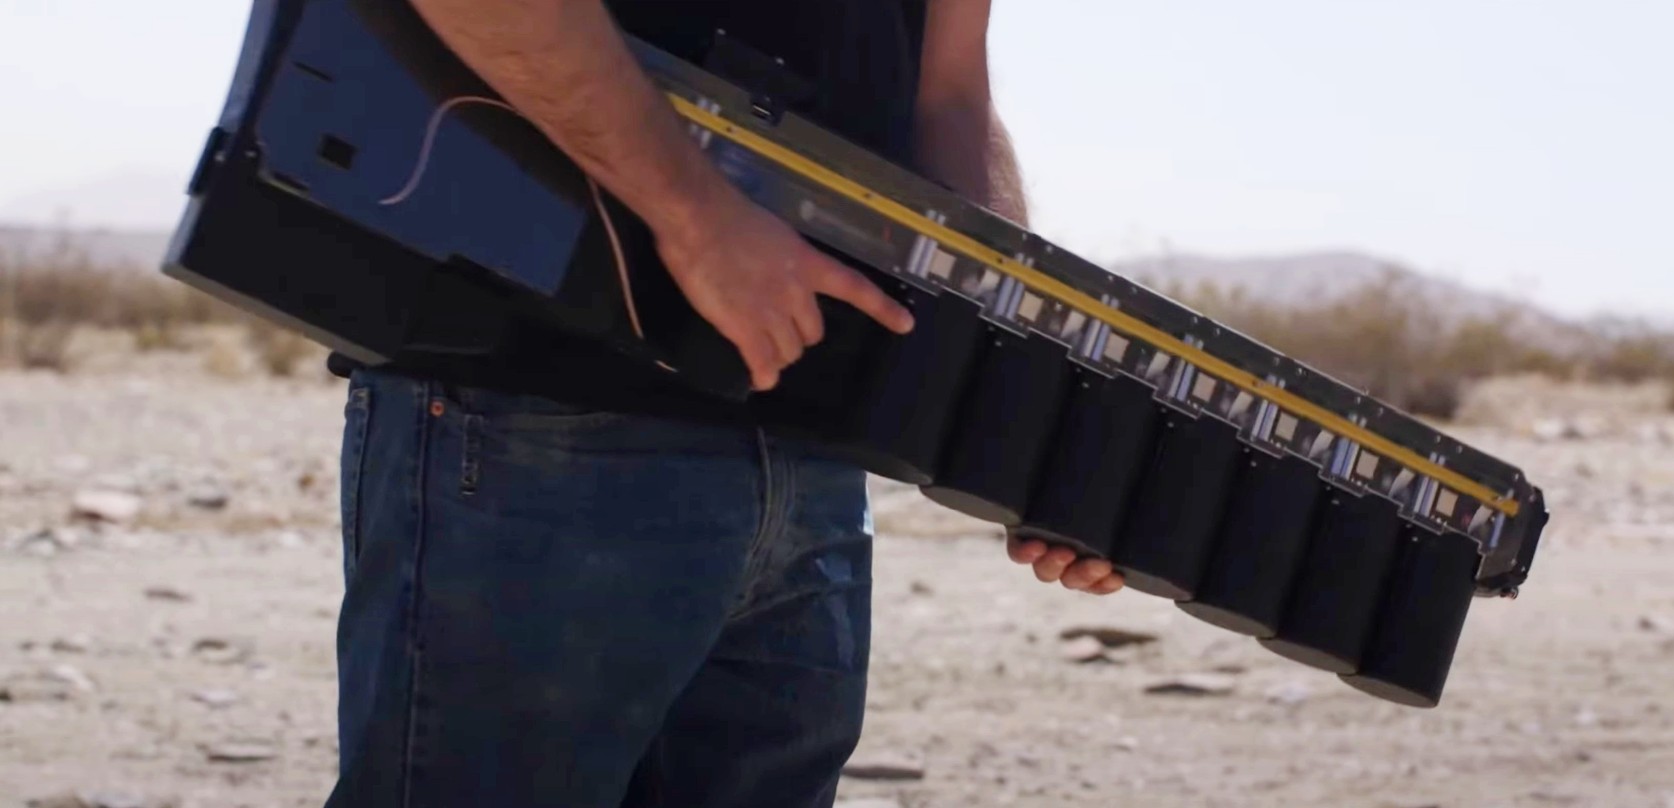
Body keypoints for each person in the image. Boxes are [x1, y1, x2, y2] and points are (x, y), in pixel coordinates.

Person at [326, 1, 1123, 806]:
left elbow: (947, 91)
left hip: (815, 446)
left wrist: (1013, 410)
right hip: (538, 397)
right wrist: (694, 213)